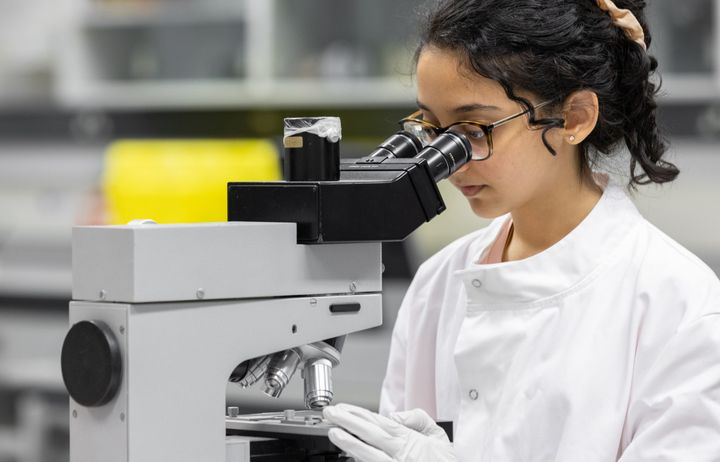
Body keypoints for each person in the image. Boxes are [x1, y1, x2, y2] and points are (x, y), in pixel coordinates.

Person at [321, 0, 720, 461]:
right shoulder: (438, 283)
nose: (451, 163)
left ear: (574, 118)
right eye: (433, 127)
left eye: (475, 129)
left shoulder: (679, 306)